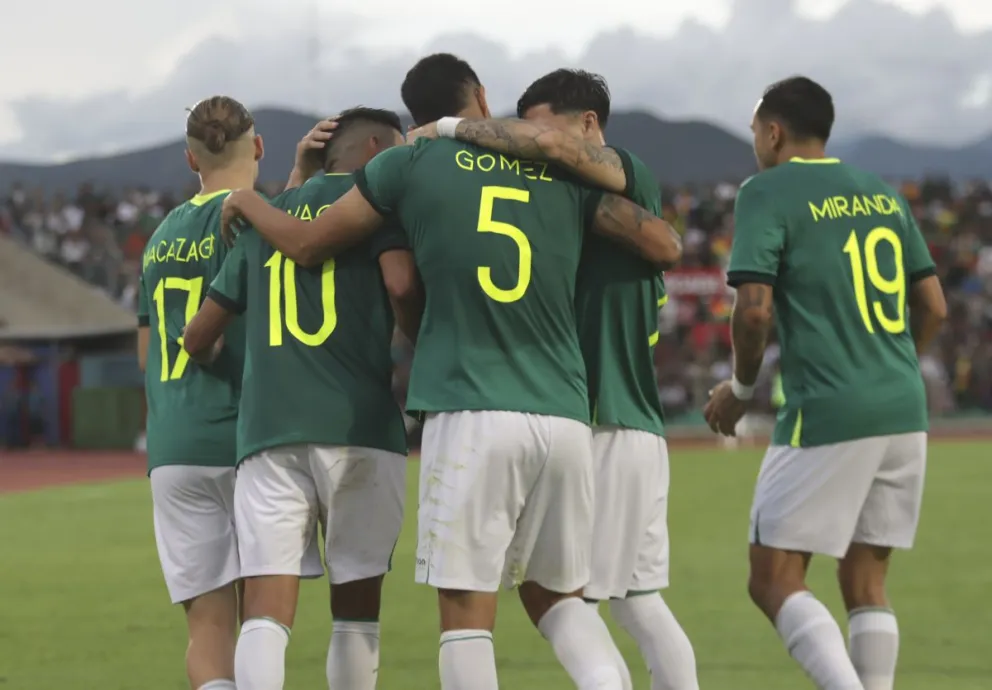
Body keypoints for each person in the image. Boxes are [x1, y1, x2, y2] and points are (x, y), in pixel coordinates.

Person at [218, 53, 682, 690]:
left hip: (471, 406)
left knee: (466, 616)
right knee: (563, 603)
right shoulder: (557, 169)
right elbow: (663, 245)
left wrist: (250, 197)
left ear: (414, 114)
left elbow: (310, 242)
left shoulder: (407, 162)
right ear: (483, 97)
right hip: (566, 416)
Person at [414, 67, 698, 690]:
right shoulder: (585, 195)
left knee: (569, 601)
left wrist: (444, 130)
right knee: (620, 600)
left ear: (588, 125)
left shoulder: (613, 168)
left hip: (598, 416)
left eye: (535, 128)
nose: (519, 143)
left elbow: (548, 149)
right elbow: (665, 244)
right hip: (624, 421)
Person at [703, 76, 947, 690]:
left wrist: (739, 387)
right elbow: (935, 307)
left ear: (774, 131)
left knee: (773, 577)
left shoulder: (767, 190)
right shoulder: (881, 192)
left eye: (756, 129)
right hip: (902, 408)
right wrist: (888, 367)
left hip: (828, 409)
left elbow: (755, 309)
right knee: (866, 583)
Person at [183, 107, 420, 690]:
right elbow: (401, 284)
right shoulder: (381, 206)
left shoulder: (267, 215)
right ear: (372, 148)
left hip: (268, 433)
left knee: (265, 609)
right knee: (356, 609)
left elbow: (196, 337)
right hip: (359, 425)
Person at [136, 95, 257, 690]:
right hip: (247, 436)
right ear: (257, 146)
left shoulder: (159, 237)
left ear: (190, 158)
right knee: (265, 621)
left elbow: (145, 352)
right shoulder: (255, 217)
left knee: (208, 631)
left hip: (174, 444)